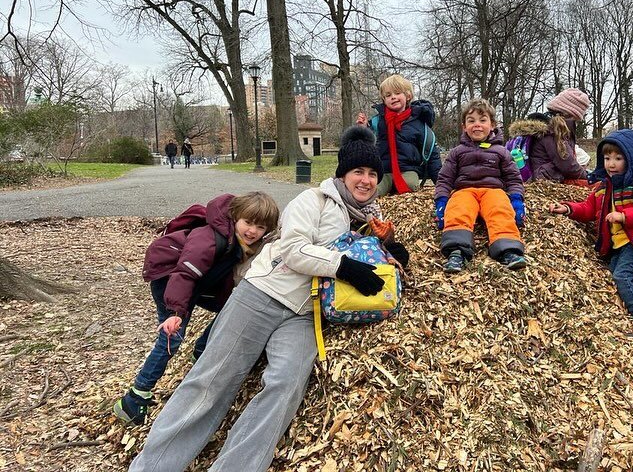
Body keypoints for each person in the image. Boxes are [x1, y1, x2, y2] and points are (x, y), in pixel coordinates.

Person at [127, 125, 409, 472]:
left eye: (371, 174)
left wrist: (392, 250)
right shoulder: (314, 201)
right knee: (211, 381)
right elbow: (292, 250)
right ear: (342, 174)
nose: (365, 180)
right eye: (357, 172)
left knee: (285, 386)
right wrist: (343, 266)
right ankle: (153, 466)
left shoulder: (373, 218)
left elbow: (373, 263)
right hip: (263, 294)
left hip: (307, 314)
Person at [113, 192, 280, 426]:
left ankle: (200, 350)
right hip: (170, 281)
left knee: (232, 308)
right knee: (171, 337)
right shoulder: (211, 238)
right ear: (235, 217)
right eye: (248, 222)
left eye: (260, 227)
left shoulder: (244, 244)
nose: (252, 231)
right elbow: (185, 273)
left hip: (197, 283)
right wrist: (177, 313)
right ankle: (135, 398)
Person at [548, 129, 633, 343]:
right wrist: (567, 209)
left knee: (621, 276)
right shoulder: (604, 187)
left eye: (618, 158)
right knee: (614, 273)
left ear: (631, 159)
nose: (611, 164)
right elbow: (588, 209)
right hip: (620, 245)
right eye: (607, 158)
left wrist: (624, 216)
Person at [434, 98, 527, 273]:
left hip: (493, 190)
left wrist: (516, 199)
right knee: (458, 209)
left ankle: (508, 249)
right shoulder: (457, 152)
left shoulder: (501, 152)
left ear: (492, 125)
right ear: (464, 127)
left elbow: (514, 178)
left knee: (500, 209)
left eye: (482, 120)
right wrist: (441, 201)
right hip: (464, 190)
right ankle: (457, 250)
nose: (477, 125)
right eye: (471, 121)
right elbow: (445, 178)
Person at [356, 74, 442, 195]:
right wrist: (363, 129)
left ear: (408, 96)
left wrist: (441, 184)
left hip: (407, 169)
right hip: (383, 169)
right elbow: (366, 145)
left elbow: (433, 154)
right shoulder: (378, 122)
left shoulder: (418, 124)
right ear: (384, 100)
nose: (393, 97)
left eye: (397, 93)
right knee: (374, 191)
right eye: (388, 95)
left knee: (410, 185)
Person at [507, 89, 590, 185]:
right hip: (544, 180)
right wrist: (588, 177)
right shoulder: (553, 131)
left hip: (543, 177)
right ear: (571, 113)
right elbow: (568, 165)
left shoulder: (548, 126)